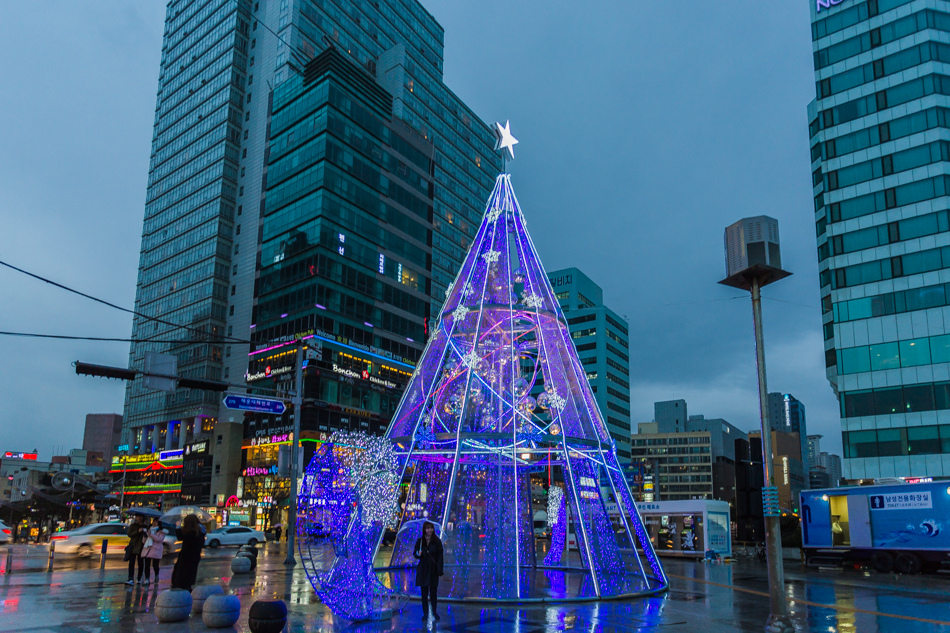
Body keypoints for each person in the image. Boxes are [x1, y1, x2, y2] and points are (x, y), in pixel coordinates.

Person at [413, 521, 444, 621]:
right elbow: (415, 554)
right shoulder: (420, 541)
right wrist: (419, 553)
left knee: (433, 592)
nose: (429, 530)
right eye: (427, 528)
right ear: (424, 530)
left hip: (433, 569)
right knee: (424, 592)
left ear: (433, 529)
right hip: (423, 569)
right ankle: (425, 613)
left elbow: (440, 557)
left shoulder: (437, 541)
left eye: (430, 528)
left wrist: (439, 570)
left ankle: (434, 612)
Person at [171, 514, 205, 592]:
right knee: (189, 578)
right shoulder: (200, 532)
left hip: (186, 558)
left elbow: (180, 537)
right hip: (194, 557)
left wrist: (178, 527)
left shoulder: (192, 532)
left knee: (181, 579)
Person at [140, 517, 166, 586]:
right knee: (147, 565)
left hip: (156, 550)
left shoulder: (162, 531)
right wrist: (145, 536)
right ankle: (147, 579)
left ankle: (156, 575)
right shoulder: (149, 530)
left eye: (156, 522)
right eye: (154, 521)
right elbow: (144, 542)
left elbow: (159, 540)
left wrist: (151, 534)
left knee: (155, 565)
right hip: (148, 549)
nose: (154, 523)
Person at [125, 515, 147, 585]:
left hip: (141, 547)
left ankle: (139, 578)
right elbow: (129, 534)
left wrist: (145, 532)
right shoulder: (133, 526)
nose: (139, 518)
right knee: (131, 563)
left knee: (141, 563)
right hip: (133, 547)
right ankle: (130, 578)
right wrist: (138, 531)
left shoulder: (145, 527)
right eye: (138, 517)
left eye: (141, 517)